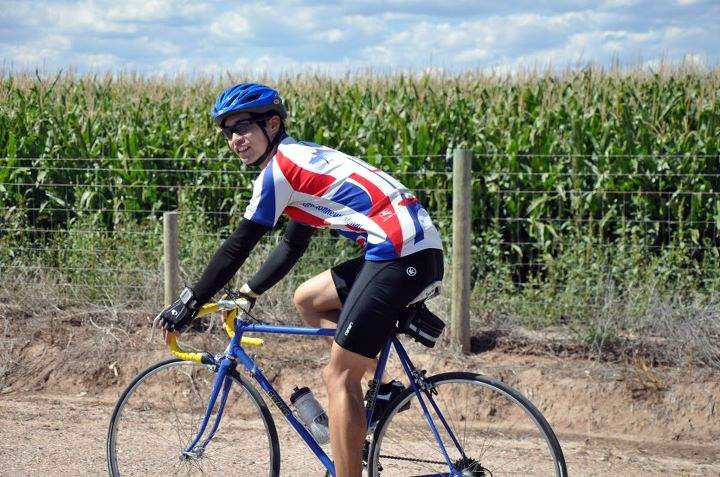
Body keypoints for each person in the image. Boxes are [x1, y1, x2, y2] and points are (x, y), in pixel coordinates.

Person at [157, 82, 444, 477]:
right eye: (227, 132)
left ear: (272, 124)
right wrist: (248, 292)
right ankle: (382, 389)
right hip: (405, 247)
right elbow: (292, 245)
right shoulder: (301, 160)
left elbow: (238, 245)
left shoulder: (280, 171)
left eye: (243, 127)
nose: (234, 139)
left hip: (398, 250)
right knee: (309, 299)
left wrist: (190, 300)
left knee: (338, 376)